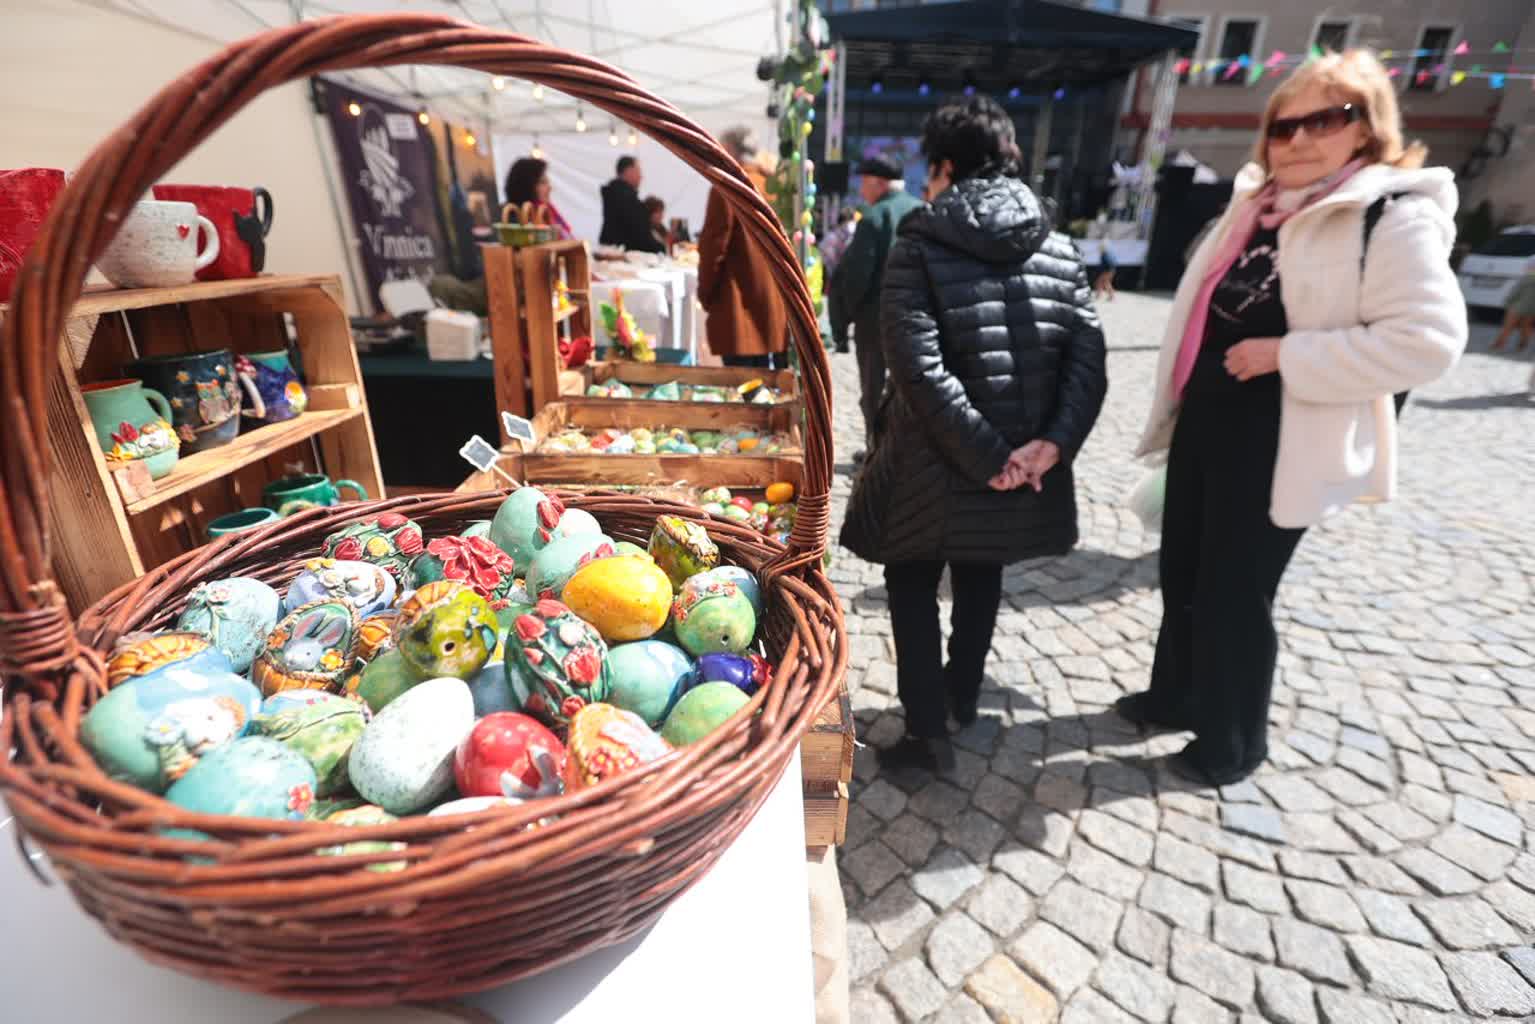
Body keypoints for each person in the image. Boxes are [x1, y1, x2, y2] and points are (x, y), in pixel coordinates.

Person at [1124, 50, 1468, 786]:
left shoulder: (1389, 213)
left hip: (1281, 436)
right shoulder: (1258, 203)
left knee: (1234, 592)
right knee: (1182, 569)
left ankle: (1232, 740)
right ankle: (1175, 694)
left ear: (1365, 128)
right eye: (1284, 126)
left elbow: (1428, 342)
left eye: (1325, 120)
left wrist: (1288, 354)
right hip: (1209, 420)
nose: (1300, 139)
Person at [840, 96, 1108, 776]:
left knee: (911, 578)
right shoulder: (1057, 245)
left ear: (943, 167)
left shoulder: (921, 244)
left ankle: (927, 733)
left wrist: (987, 457)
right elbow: (1087, 360)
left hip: (932, 458)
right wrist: (1047, 447)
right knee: (982, 566)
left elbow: (916, 369)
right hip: (1019, 460)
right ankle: (961, 694)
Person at [834, 156, 923, 457]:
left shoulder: (874, 217)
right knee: (910, 388)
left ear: (880, 183)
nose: (861, 190)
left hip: (875, 321)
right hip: (918, 320)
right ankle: (905, 454)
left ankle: (876, 451)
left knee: (873, 390)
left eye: (864, 182)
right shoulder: (922, 210)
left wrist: (844, 318)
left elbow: (856, 276)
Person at [697, 126, 789, 369]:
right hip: (773, 304)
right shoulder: (774, 186)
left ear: (729, 150)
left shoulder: (728, 187)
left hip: (738, 306)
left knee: (743, 385)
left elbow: (713, 247)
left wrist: (705, 293)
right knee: (768, 383)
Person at [599, 156, 665, 254]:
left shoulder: (616, 195)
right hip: (621, 255)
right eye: (638, 171)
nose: (641, 177)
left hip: (613, 250)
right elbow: (639, 235)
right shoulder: (625, 199)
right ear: (629, 171)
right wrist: (661, 248)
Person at [503, 156, 572, 239]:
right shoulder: (517, 221)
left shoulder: (547, 211)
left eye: (548, 182)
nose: (550, 188)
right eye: (543, 182)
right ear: (527, 186)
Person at [820, 208, 858, 354]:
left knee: (837, 313)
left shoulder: (832, 236)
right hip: (855, 278)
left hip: (838, 279)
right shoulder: (857, 231)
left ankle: (841, 340)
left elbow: (825, 253)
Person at [1490, 269, 1535, 352]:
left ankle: (1498, 345)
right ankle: (1522, 345)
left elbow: (1515, 292)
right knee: (1526, 327)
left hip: (1517, 307)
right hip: (1532, 309)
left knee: (1508, 327)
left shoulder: (1526, 279)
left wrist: (1507, 302)